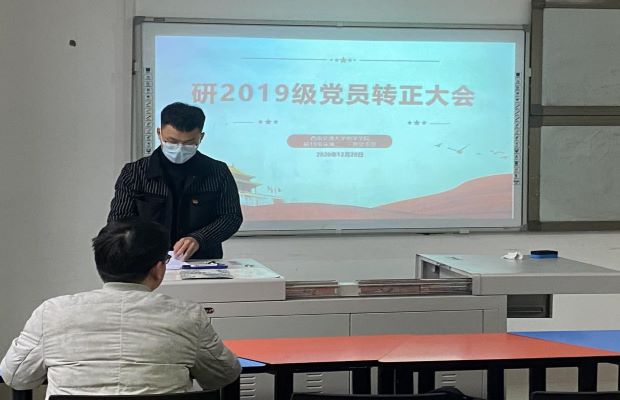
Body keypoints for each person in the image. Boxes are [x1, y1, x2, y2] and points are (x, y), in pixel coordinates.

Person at [0, 219, 241, 397]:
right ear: (159, 269)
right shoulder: (188, 316)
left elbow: (15, 375)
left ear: (100, 265)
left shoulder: (52, 313)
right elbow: (224, 375)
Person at [108, 102, 242, 261]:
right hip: (147, 262)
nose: (179, 148)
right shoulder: (134, 173)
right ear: (159, 133)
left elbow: (231, 217)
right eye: (172, 141)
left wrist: (199, 238)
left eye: (189, 143)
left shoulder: (218, 172)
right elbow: (119, 221)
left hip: (202, 261)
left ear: (201, 137)